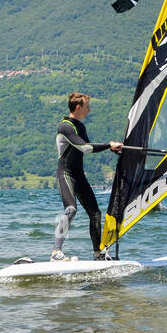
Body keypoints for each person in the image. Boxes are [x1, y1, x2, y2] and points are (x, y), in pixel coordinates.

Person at [52, 92, 122, 262]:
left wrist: (112, 149)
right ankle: (56, 252)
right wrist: (108, 145)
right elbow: (85, 148)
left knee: (95, 214)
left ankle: (98, 255)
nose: (89, 110)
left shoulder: (81, 127)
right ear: (78, 107)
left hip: (79, 175)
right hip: (66, 174)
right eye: (87, 107)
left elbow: (88, 146)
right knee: (71, 209)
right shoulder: (65, 126)